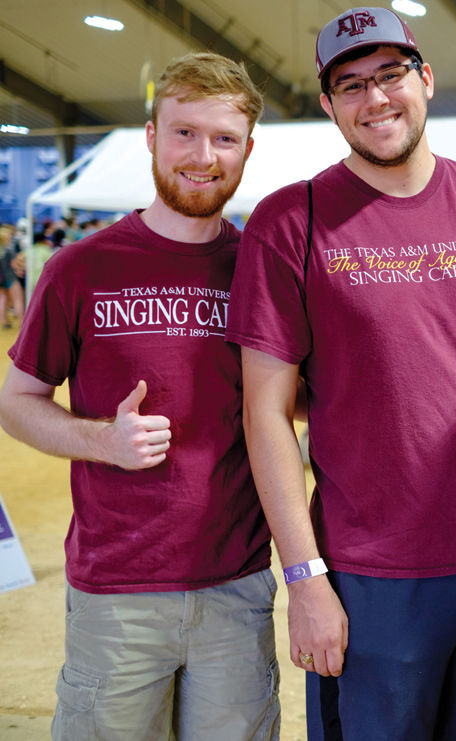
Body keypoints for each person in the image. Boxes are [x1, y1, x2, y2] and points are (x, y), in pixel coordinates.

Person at [224, 7, 456, 739]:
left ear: (426, 80)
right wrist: (304, 577)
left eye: (390, 75)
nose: (375, 99)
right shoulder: (293, 221)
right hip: (372, 575)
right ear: (327, 105)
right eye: (350, 85)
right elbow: (264, 414)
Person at [0, 53, 279, 740]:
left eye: (223, 138)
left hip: (236, 590)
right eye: (183, 132)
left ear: (247, 149)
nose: (202, 156)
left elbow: (301, 396)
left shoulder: (260, 271)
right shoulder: (80, 268)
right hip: (116, 593)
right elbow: (16, 400)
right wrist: (102, 440)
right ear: (151, 136)